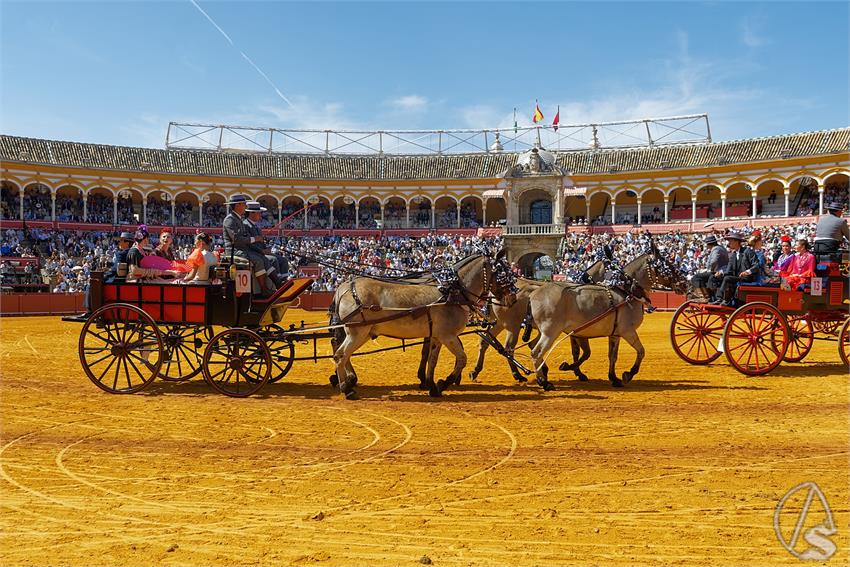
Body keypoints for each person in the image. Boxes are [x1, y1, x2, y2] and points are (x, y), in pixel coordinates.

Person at [222, 194, 274, 295]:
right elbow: (236, 239)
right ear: (237, 205)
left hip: (242, 249)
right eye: (244, 204)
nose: (246, 206)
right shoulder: (230, 219)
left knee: (262, 258)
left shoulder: (238, 219)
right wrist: (255, 239)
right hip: (234, 250)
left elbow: (243, 237)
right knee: (258, 260)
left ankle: (276, 283)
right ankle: (263, 290)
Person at [244, 201, 286, 287]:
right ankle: (277, 284)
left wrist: (267, 249)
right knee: (273, 259)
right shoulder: (245, 225)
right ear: (251, 213)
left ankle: (285, 280)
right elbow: (248, 244)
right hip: (255, 253)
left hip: (261, 252)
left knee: (283, 260)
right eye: (259, 213)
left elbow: (261, 242)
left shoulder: (257, 226)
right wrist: (262, 251)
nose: (260, 215)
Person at [712, 231, 759, 306]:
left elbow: (756, 265)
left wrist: (747, 272)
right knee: (715, 277)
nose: (728, 243)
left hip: (747, 278)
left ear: (737, 241)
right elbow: (728, 270)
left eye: (730, 241)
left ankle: (725, 300)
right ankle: (716, 298)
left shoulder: (747, 251)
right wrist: (721, 273)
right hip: (736, 277)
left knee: (727, 279)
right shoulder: (733, 255)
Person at [689, 234, 728, 302]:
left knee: (696, 277)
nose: (706, 246)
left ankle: (704, 297)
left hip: (719, 271)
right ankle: (706, 296)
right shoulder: (719, 248)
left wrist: (709, 270)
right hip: (720, 270)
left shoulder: (716, 249)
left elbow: (714, 261)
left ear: (709, 244)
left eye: (706, 244)